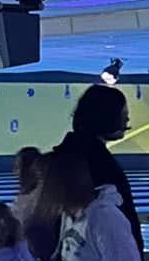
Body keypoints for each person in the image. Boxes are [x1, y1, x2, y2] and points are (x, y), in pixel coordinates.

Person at [60, 83, 142, 249]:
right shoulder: (99, 163)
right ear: (106, 117)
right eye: (123, 114)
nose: (127, 120)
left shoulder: (67, 153)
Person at [12, 150, 61, 261]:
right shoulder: (26, 196)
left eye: (17, 167)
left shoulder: (42, 198)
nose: (14, 171)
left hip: (34, 254)